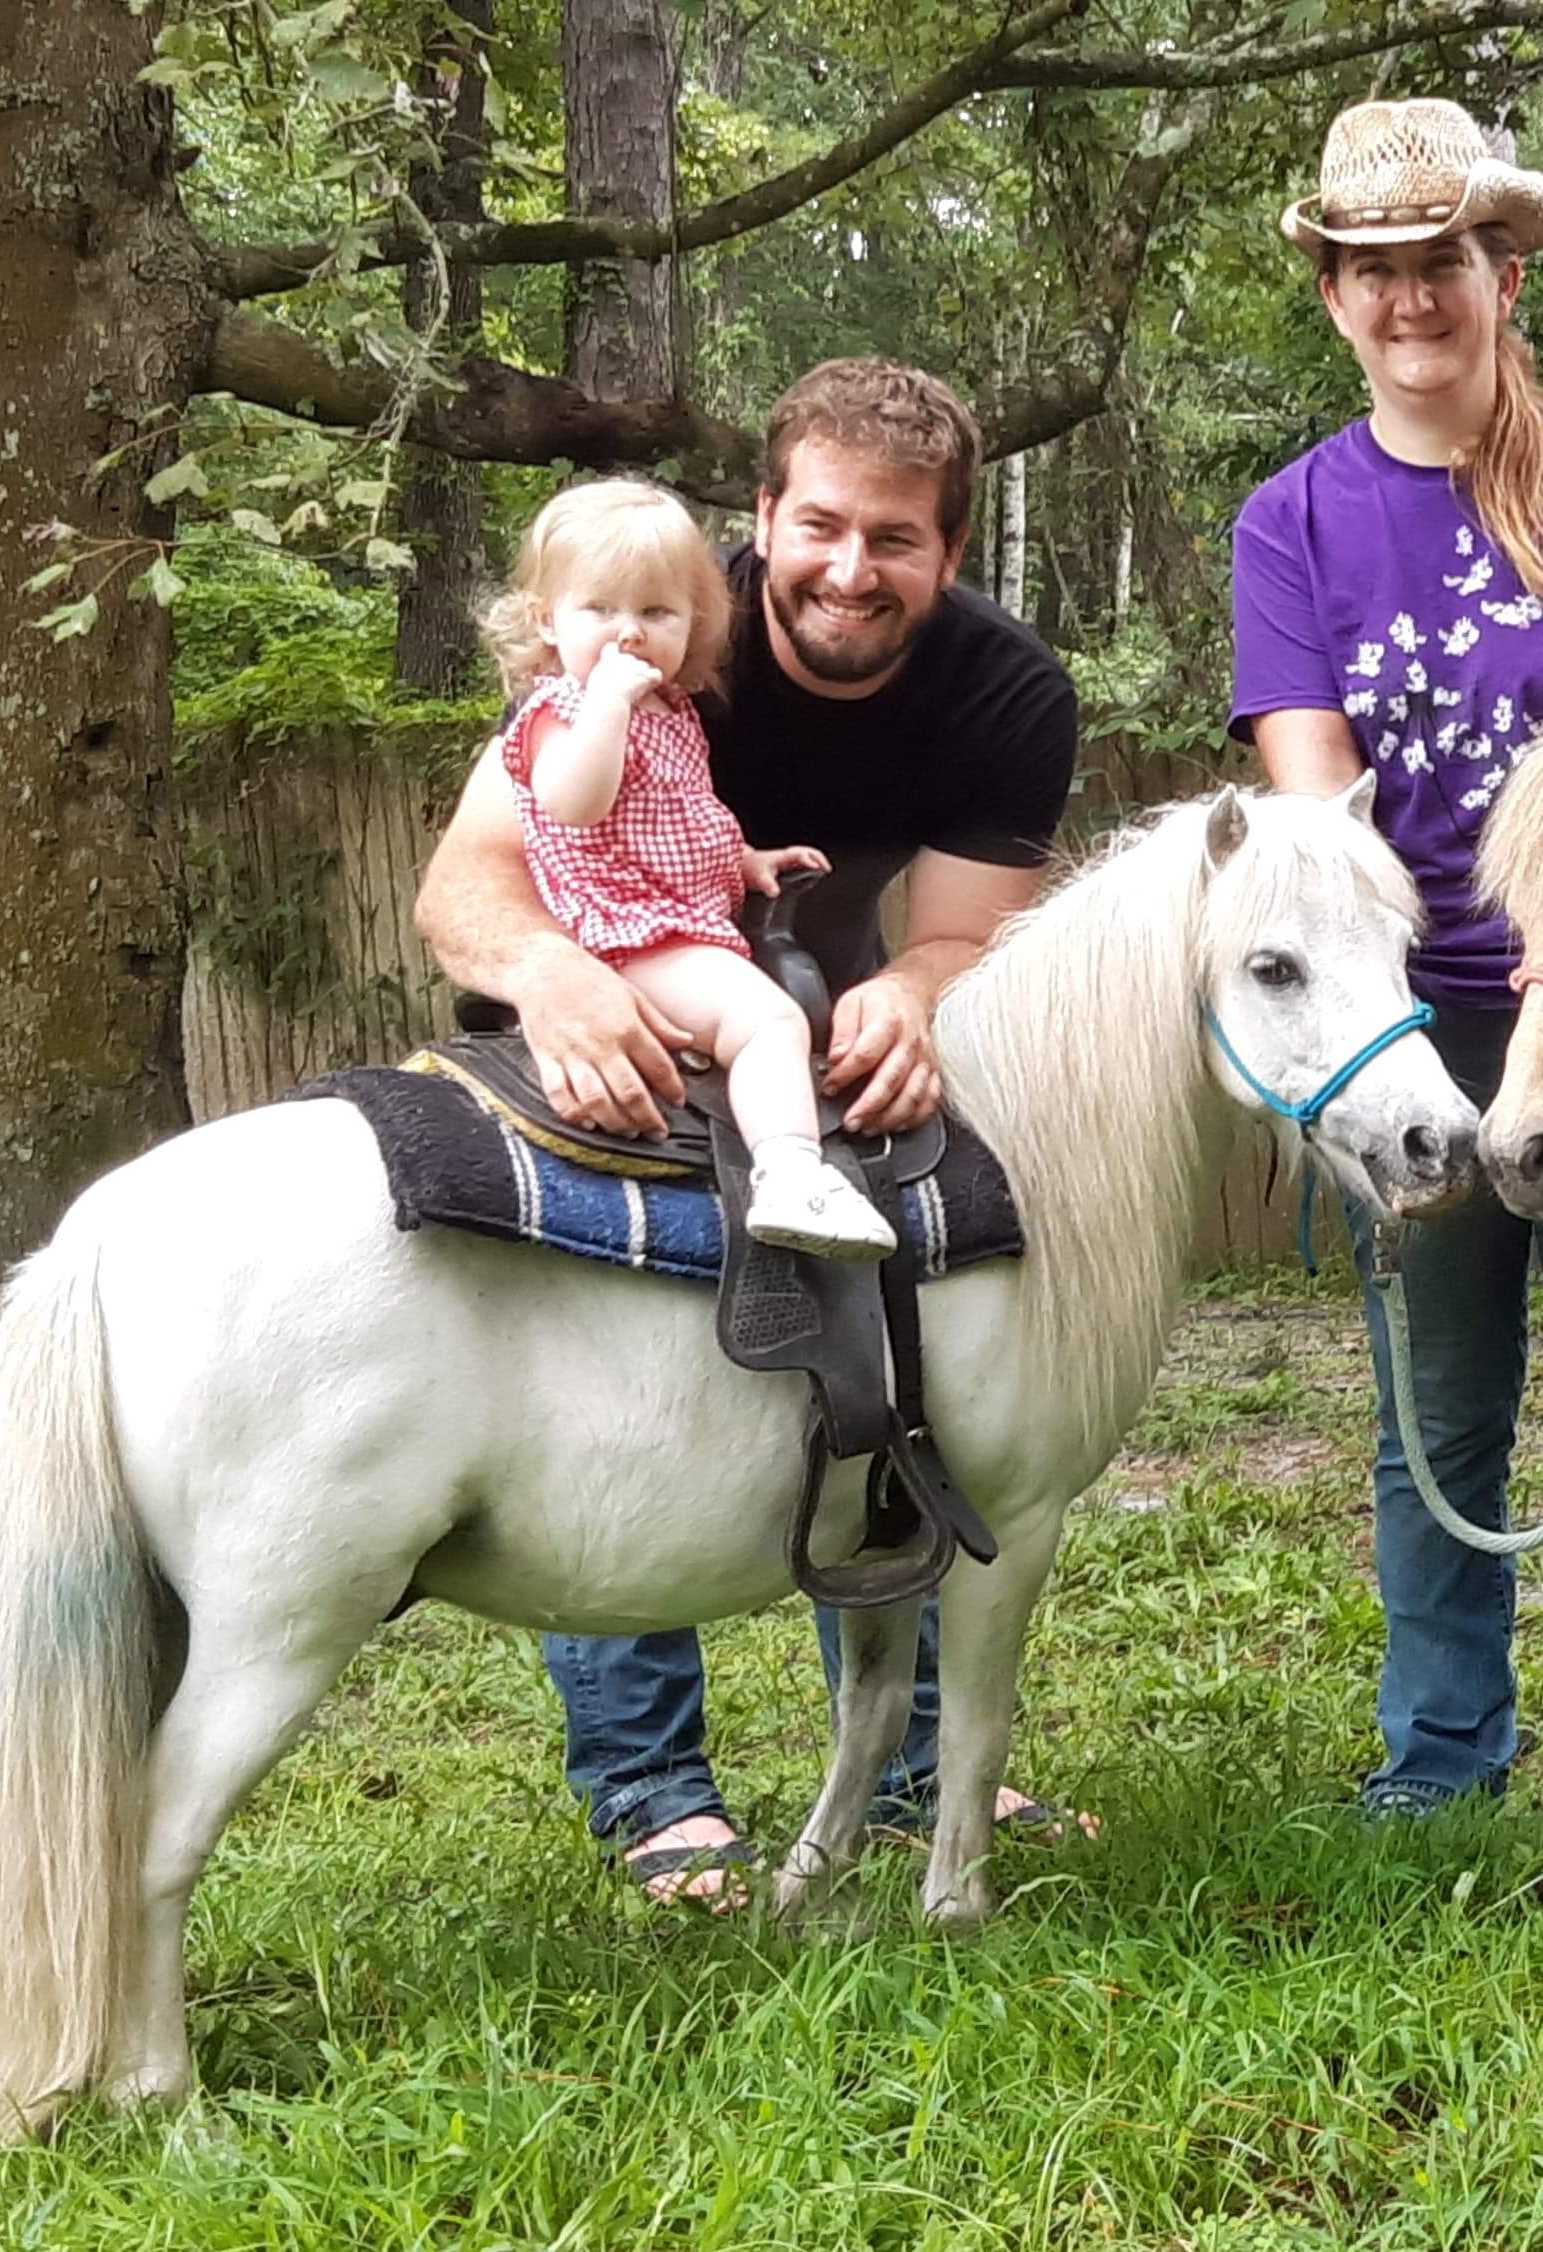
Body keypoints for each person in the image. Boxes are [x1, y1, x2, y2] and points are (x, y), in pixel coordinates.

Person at [415, 358, 1087, 1907]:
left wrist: (916, 995)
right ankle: (656, 1787)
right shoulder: (643, 613)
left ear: (950, 550)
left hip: (837, 1040)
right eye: (823, 525)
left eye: (898, 539)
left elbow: (965, 935)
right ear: (763, 518)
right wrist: (552, 980)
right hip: (614, 1019)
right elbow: (466, 884)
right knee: (609, 1372)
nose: (853, 569)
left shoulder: (1007, 692)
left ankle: (917, 1757)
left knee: (906, 1326)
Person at [1230, 98, 1543, 1930]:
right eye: (1371, 268)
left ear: (1501, 274)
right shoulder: (1288, 520)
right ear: (1335, 297)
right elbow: (1314, 801)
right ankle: (1441, 1758)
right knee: (1432, 1419)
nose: (1408, 298)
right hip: (1410, 1035)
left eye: (1439, 260)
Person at [478, 477, 896, 1259]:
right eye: (600, 610)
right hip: (626, 933)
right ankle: (791, 1171)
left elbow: (676, 818)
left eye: (656, 613)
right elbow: (575, 802)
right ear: (547, 619)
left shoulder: (674, 713)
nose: (628, 634)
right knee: (771, 1020)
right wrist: (605, 706)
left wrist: (747, 859)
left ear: (692, 625)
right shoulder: (559, 712)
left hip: (678, 922)